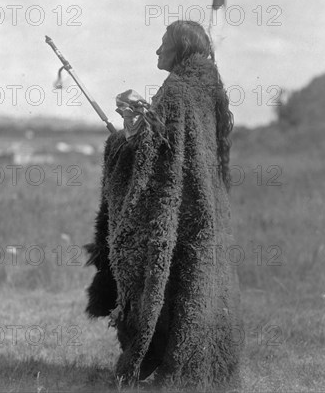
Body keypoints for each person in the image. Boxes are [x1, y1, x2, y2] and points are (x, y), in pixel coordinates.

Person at [85, 20, 241, 390]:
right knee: (192, 287)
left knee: (164, 282)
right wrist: (134, 122)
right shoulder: (206, 91)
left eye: (162, 45)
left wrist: (123, 138)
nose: (157, 52)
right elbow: (169, 149)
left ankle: (161, 364)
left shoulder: (176, 93)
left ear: (180, 49)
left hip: (176, 216)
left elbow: (149, 159)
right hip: (203, 211)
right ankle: (190, 367)